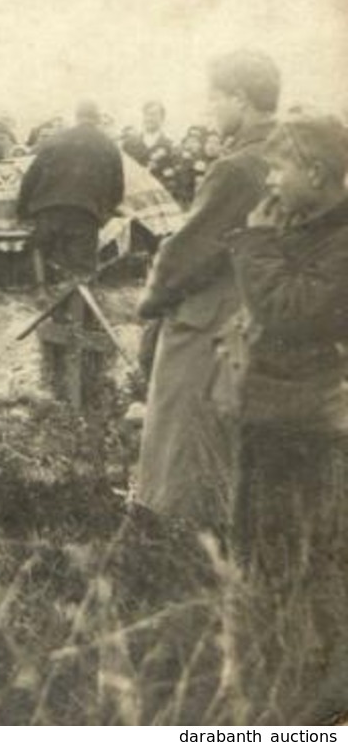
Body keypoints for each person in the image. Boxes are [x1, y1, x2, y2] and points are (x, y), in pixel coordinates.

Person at [136, 51, 280, 534]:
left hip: (214, 315)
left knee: (182, 434)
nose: (211, 110)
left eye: (215, 98)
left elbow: (190, 250)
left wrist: (152, 303)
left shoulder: (236, 168)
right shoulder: (296, 155)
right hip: (270, 313)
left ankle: (179, 538)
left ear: (240, 98)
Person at [218, 116, 348, 575]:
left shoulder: (338, 241)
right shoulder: (302, 224)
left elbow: (291, 312)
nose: (269, 180)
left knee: (295, 558)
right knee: (259, 547)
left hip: (306, 421)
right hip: (274, 410)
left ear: (314, 173)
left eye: (277, 168)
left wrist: (255, 242)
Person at [14, 100, 125, 281]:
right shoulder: (108, 145)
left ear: (77, 116)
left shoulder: (56, 139)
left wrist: (23, 211)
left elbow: (31, 178)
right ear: (97, 119)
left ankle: (41, 295)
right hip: (85, 213)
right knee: (81, 270)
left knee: (42, 256)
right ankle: (77, 304)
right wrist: (105, 212)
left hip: (48, 210)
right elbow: (117, 187)